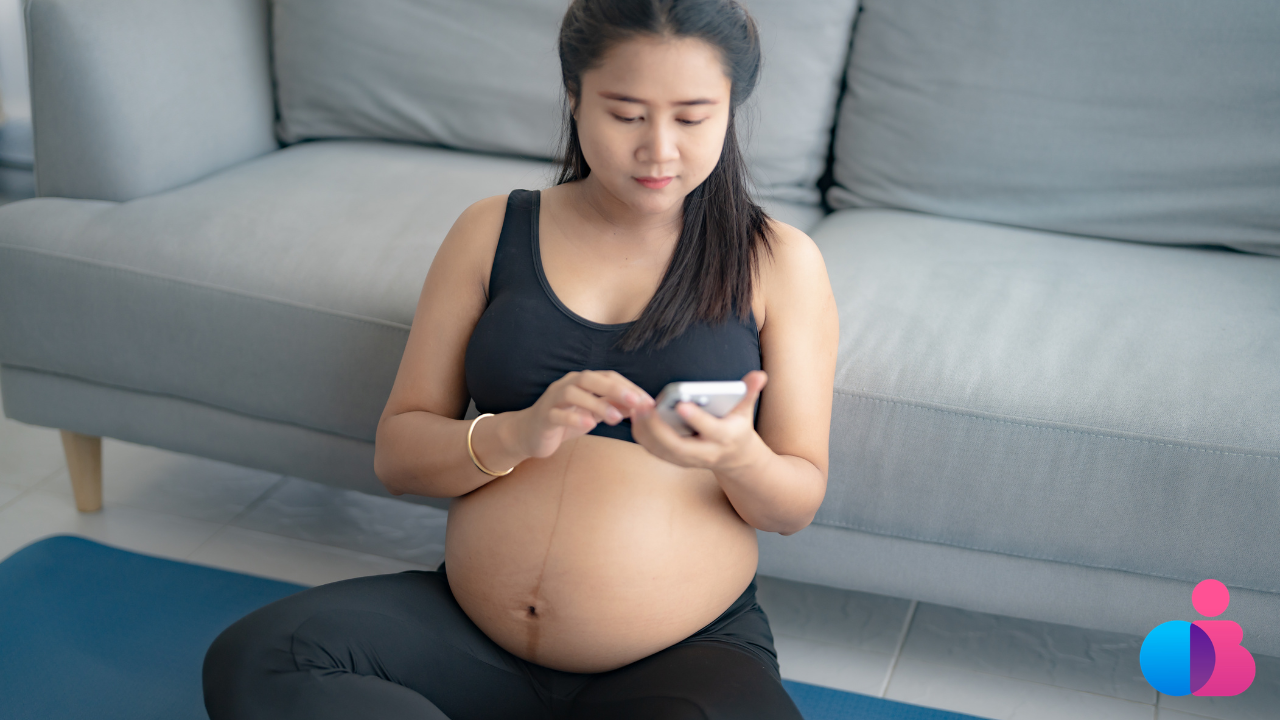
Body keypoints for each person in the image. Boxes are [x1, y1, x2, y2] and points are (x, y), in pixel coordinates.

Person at [202, 0, 838, 717]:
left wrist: (733, 456)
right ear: (575, 97)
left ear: (731, 107)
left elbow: (796, 502)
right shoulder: (490, 231)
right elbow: (399, 455)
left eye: (692, 118)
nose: (659, 148)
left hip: (683, 656)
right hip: (467, 636)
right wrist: (513, 433)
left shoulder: (779, 262)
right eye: (626, 114)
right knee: (264, 659)